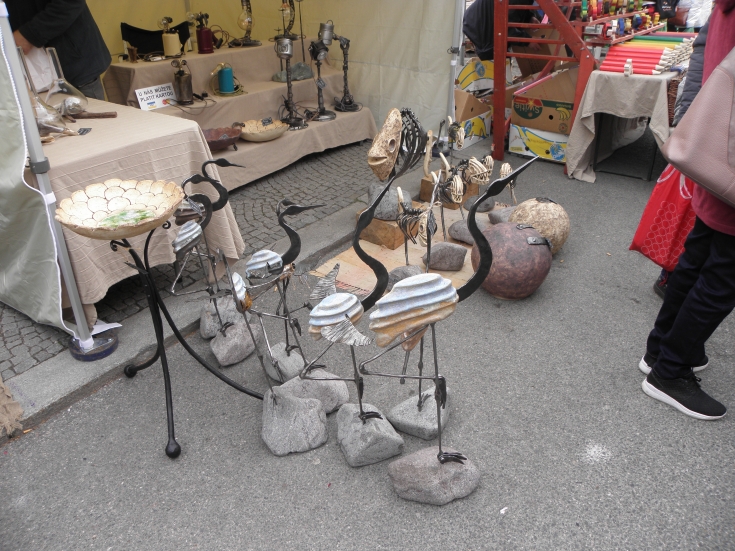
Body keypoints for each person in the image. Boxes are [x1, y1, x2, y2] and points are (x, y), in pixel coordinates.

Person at [640, 0, 735, 420]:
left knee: (700, 254)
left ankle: (661, 350)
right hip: (729, 151)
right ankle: (670, 371)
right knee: (723, 273)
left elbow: (702, 54)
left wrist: (688, 124)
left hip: (715, 146)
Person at [652, 21, 709, 299]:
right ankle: (673, 275)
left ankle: (683, 277)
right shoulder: (723, 17)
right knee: (696, 211)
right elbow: (700, 61)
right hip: (710, 126)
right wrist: (686, 122)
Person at [6, 0, 110, 100]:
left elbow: (71, 2)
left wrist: (28, 35)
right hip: (28, 72)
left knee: (88, 110)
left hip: (74, 64)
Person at [463, 0, 540, 62]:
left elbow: (515, 10)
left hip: (477, 19)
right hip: (480, 23)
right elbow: (506, 27)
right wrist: (528, 41)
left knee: (500, 58)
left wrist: (530, 18)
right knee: (496, 57)